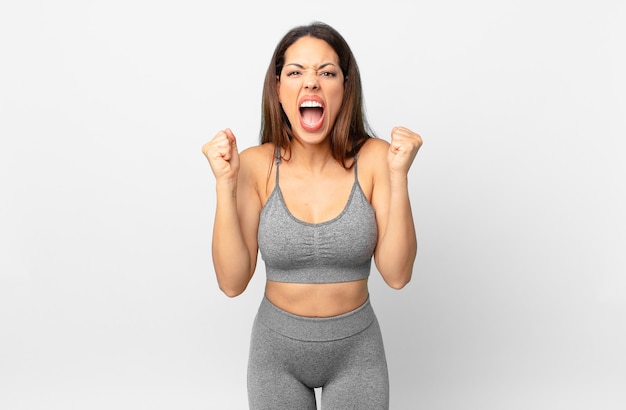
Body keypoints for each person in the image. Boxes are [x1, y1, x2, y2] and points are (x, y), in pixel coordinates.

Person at [202, 21, 422, 409]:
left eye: (327, 72)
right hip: (276, 357)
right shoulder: (255, 166)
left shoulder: (375, 159)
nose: (311, 83)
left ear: (344, 87)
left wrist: (399, 177)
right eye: (295, 72)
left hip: (357, 354)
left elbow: (397, 275)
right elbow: (232, 283)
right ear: (278, 88)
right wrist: (224, 183)